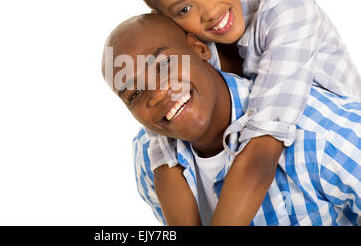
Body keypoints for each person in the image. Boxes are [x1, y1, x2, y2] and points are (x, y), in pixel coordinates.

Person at [130, 0, 361, 225]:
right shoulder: (190, 47)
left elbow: (265, 142)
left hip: (328, 147)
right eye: (185, 9)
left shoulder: (285, 8)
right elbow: (164, 154)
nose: (211, 12)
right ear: (165, 17)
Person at [102, 13, 361, 225]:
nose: (157, 94)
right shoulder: (147, 159)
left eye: (164, 64)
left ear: (199, 48)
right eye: (134, 92)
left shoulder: (317, 132)